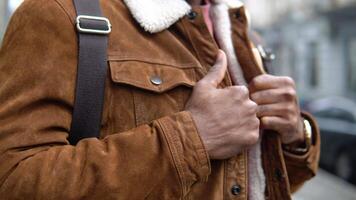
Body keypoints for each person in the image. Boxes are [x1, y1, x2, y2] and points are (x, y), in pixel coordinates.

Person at [0, 0, 320, 199]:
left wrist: (295, 135)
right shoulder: (56, 12)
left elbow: (253, 184)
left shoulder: (243, 35)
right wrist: (192, 139)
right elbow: (13, 181)